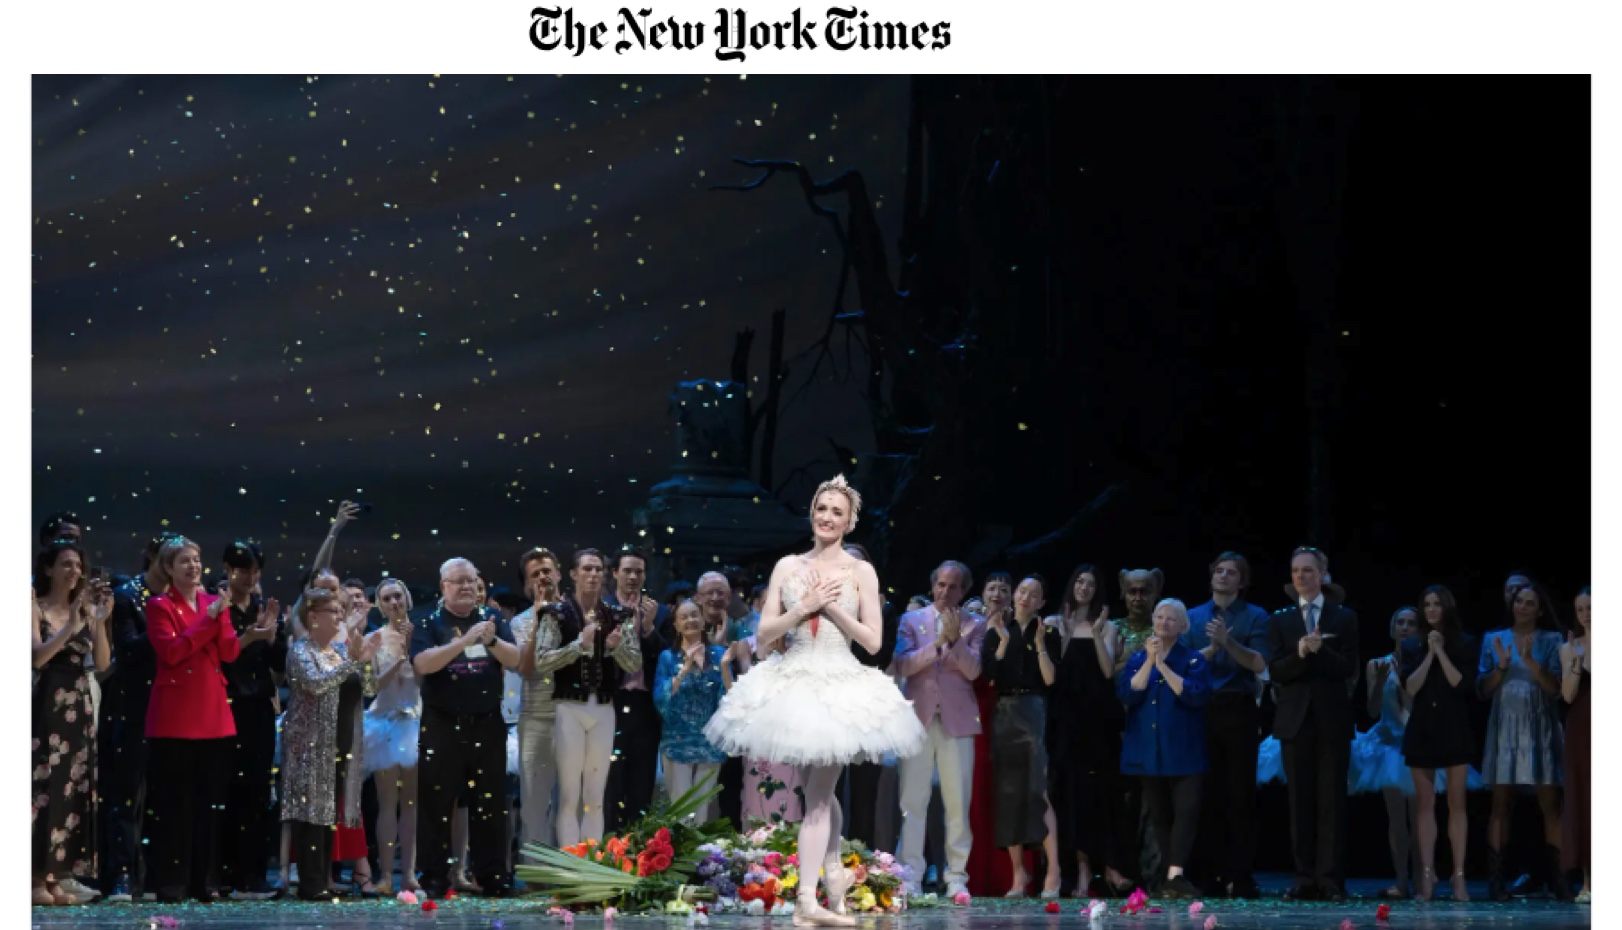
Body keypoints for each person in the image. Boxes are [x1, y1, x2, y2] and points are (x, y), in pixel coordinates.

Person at [706, 475, 927, 927]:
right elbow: (764, 636)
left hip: (837, 682)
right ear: (812, 512)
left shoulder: (860, 570)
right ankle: (830, 877)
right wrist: (802, 605)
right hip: (793, 680)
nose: (827, 517)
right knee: (815, 791)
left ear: (850, 522)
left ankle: (808, 900)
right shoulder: (787, 565)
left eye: (837, 512)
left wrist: (831, 608)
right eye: (821, 508)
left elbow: (871, 641)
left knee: (820, 798)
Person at [411, 557, 522, 898]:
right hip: (442, 723)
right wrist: (463, 641)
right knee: (436, 802)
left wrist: (489, 641)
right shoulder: (428, 621)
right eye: (458, 581)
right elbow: (422, 663)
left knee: (490, 801)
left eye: (472, 581)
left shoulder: (492, 620)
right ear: (443, 586)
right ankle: (434, 876)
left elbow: (515, 660)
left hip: (486, 722)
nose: (466, 587)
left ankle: (491, 874)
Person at [144, 537, 241, 903]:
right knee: (174, 804)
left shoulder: (211, 603)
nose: (194, 566)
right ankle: (171, 882)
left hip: (214, 713)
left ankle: (205, 881)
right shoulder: (159, 606)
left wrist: (222, 617)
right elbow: (172, 652)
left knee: (208, 805)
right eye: (185, 561)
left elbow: (230, 651)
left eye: (197, 560)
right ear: (169, 568)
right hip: (175, 716)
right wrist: (210, 621)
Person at [1267, 547, 1359, 903]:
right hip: (1294, 720)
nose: (1300, 577)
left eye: (1307, 571)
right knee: (1299, 802)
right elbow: (1276, 669)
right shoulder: (1281, 620)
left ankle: (1331, 879)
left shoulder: (1344, 617)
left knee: (1331, 802)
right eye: (1295, 571)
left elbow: (1347, 668)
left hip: (1332, 719)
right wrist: (1301, 654)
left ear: (1322, 574)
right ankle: (1304, 877)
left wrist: (1321, 651)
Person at [890, 560, 986, 899]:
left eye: (954, 586)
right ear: (933, 586)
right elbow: (903, 664)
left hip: (958, 721)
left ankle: (956, 875)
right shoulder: (911, 620)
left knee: (958, 801)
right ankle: (911, 875)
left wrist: (955, 640)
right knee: (912, 800)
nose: (946, 591)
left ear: (964, 590)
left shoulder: (975, 624)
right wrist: (938, 644)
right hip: (917, 718)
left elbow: (974, 672)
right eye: (941, 584)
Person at [281, 588, 382, 901]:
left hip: (339, 742)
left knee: (327, 815)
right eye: (334, 612)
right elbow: (317, 683)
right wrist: (351, 660)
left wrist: (364, 661)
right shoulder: (302, 651)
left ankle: (321, 880)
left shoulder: (335, 652)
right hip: (309, 744)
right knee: (310, 814)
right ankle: (311, 884)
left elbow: (368, 687)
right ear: (313, 617)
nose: (340, 617)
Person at [1180, 552, 1270, 899]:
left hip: (1239, 709)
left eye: (1231, 572)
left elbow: (1260, 663)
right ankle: (1206, 874)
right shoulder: (1193, 616)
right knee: (1204, 794)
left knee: (1239, 795)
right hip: (1202, 710)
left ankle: (1240, 876)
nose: (1223, 576)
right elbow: (1185, 665)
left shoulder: (1255, 616)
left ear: (1241, 581)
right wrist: (1211, 648)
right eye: (1218, 570)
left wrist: (1228, 643)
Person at [537, 549, 641, 848]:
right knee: (570, 794)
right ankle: (570, 864)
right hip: (569, 706)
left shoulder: (619, 616)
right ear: (573, 574)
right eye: (587, 569)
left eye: (598, 569)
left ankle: (592, 862)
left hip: (604, 708)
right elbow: (542, 660)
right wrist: (577, 647)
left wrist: (616, 648)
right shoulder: (555, 613)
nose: (594, 574)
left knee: (596, 795)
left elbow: (634, 663)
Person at [99, 531, 180, 902]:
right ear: (153, 558)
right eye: (167, 559)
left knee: (164, 795)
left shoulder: (179, 602)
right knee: (127, 793)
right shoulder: (129, 596)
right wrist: (163, 626)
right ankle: (121, 874)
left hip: (173, 704)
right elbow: (128, 650)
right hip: (134, 705)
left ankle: (156, 876)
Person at [31, 539, 112, 906]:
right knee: (42, 787)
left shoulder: (85, 608)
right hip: (47, 701)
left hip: (78, 704)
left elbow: (103, 662)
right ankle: (33, 874)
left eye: (78, 565)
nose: (74, 571)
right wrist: (71, 626)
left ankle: (57, 873)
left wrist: (99, 623)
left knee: (70, 788)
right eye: (66, 564)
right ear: (49, 569)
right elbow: (37, 657)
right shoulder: (35, 605)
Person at [1045, 564, 1133, 898]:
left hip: (1099, 722)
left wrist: (1095, 632)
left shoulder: (1107, 626)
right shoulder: (1054, 623)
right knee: (1069, 795)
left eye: (1091, 584)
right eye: (1079, 581)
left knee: (1100, 795)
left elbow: (1108, 669)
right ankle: (1079, 872)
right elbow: (1057, 671)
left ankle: (1106, 867)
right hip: (1066, 721)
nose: (1084, 587)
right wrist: (1067, 632)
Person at [1479, 579, 1570, 901]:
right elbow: (1484, 689)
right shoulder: (1494, 639)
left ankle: (1560, 880)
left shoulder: (1552, 639)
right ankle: (1496, 882)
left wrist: (1530, 660)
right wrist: (1502, 667)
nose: (1523, 607)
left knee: (1551, 805)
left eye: (1530, 603)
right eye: (1519, 601)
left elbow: (1556, 688)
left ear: (1540, 609)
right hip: (1504, 727)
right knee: (1501, 805)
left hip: (1540, 726)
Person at [1119, 598, 1211, 899]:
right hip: (1149, 750)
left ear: (1183, 626)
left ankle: (1176, 873)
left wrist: (1163, 666)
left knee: (1186, 811)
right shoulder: (1137, 658)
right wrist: (1149, 662)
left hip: (1183, 749)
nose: (1163, 623)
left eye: (1171, 618)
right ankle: (1170, 877)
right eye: (1159, 617)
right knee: (1158, 813)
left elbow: (1195, 696)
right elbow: (1128, 695)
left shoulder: (1194, 659)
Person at [983, 574, 1063, 898]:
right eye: (1022, 591)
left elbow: (1049, 679)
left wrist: (1042, 647)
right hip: (1004, 712)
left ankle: (1053, 872)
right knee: (1008, 794)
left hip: (1033, 710)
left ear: (1042, 602)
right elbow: (991, 677)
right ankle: (1019, 874)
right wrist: (1001, 644)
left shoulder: (1050, 632)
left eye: (1034, 593)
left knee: (1037, 792)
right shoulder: (996, 630)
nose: (1025, 597)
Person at [1400, 588, 1480, 901]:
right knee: (1425, 805)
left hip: (1455, 728)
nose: (1431, 609)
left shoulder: (1465, 643)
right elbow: (1411, 686)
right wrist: (1429, 652)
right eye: (1427, 604)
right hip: (1422, 730)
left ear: (1447, 608)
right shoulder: (1411, 645)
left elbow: (1461, 684)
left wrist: (1442, 652)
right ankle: (1427, 874)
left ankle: (1459, 876)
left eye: (1437, 604)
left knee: (1457, 804)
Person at [217, 541, 286, 900]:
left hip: (258, 706)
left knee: (257, 792)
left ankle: (253, 876)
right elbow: (221, 655)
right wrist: (251, 637)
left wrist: (271, 638)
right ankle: (223, 873)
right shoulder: (217, 606)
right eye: (243, 570)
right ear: (228, 568)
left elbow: (279, 664)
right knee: (224, 790)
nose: (250, 577)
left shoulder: (263, 607)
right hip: (223, 706)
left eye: (255, 570)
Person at [1354, 606, 1419, 900]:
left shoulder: (1424, 664)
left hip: (1418, 745)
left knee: (1420, 817)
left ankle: (1422, 878)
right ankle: (1401, 880)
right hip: (1389, 746)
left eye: (1411, 624)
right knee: (1396, 818)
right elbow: (1371, 709)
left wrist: (1405, 685)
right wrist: (1380, 681)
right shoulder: (1376, 664)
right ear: (1392, 628)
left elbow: (1418, 712)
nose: (1405, 628)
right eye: (1400, 623)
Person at [363, 578, 423, 893]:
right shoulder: (375, 637)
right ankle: (386, 875)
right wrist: (399, 657)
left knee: (411, 803)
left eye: (398, 596)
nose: (394, 603)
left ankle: (410, 873)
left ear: (407, 598)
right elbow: (370, 686)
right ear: (380, 604)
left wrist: (412, 649)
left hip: (414, 719)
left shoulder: (423, 633)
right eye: (387, 598)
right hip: (384, 722)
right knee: (388, 802)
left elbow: (426, 679)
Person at [604, 545, 669, 831]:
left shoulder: (661, 612)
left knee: (642, 781)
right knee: (611, 779)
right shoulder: (602, 610)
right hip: (612, 703)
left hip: (646, 707)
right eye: (627, 571)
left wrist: (648, 629)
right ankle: (609, 849)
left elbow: (667, 658)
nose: (632, 577)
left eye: (638, 572)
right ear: (615, 573)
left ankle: (638, 851)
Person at [654, 599, 733, 823]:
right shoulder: (667, 658)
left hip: (709, 743)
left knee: (701, 814)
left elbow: (731, 699)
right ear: (677, 625)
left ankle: (700, 858)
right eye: (684, 617)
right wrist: (684, 669)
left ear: (702, 619)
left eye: (694, 615)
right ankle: (682, 857)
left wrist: (726, 668)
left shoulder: (718, 655)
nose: (690, 620)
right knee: (681, 814)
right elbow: (661, 699)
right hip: (677, 743)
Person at [510, 548, 564, 849]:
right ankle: (535, 872)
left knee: (570, 799)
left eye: (547, 570)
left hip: (571, 712)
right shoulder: (519, 623)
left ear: (559, 574)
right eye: (535, 574)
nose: (543, 577)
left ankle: (568, 868)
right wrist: (541, 617)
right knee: (534, 800)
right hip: (535, 716)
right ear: (527, 585)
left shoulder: (577, 614)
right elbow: (525, 667)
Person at [1560, 587, 1591, 904]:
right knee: (1586, 800)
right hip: (1582, 729)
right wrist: (1576, 663)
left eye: (1591, 607)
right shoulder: (1570, 648)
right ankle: (1588, 880)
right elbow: (1567, 695)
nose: (1586, 614)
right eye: (1581, 609)